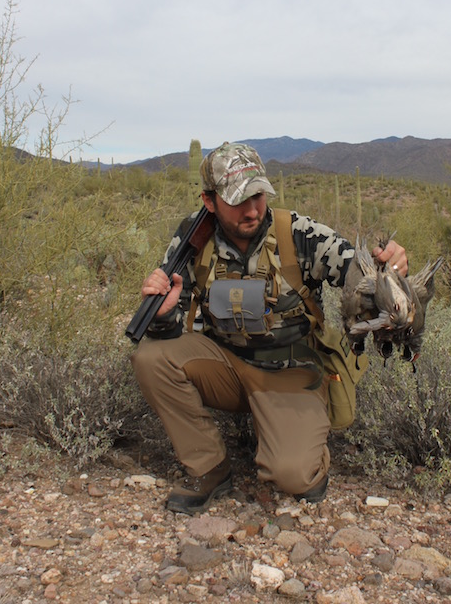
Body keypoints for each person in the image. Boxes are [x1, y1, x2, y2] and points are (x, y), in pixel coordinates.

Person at [131, 142, 407, 514]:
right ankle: (209, 468)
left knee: (293, 477)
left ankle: (297, 440)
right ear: (209, 201)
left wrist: (389, 272)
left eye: (258, 195)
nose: (252, 210)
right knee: (151, 358)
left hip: (291, 372)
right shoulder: (192, 239)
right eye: (237, 200)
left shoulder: (300, 234)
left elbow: (356, 274)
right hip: (225, 366)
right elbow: (171, 329)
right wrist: (164, 315)